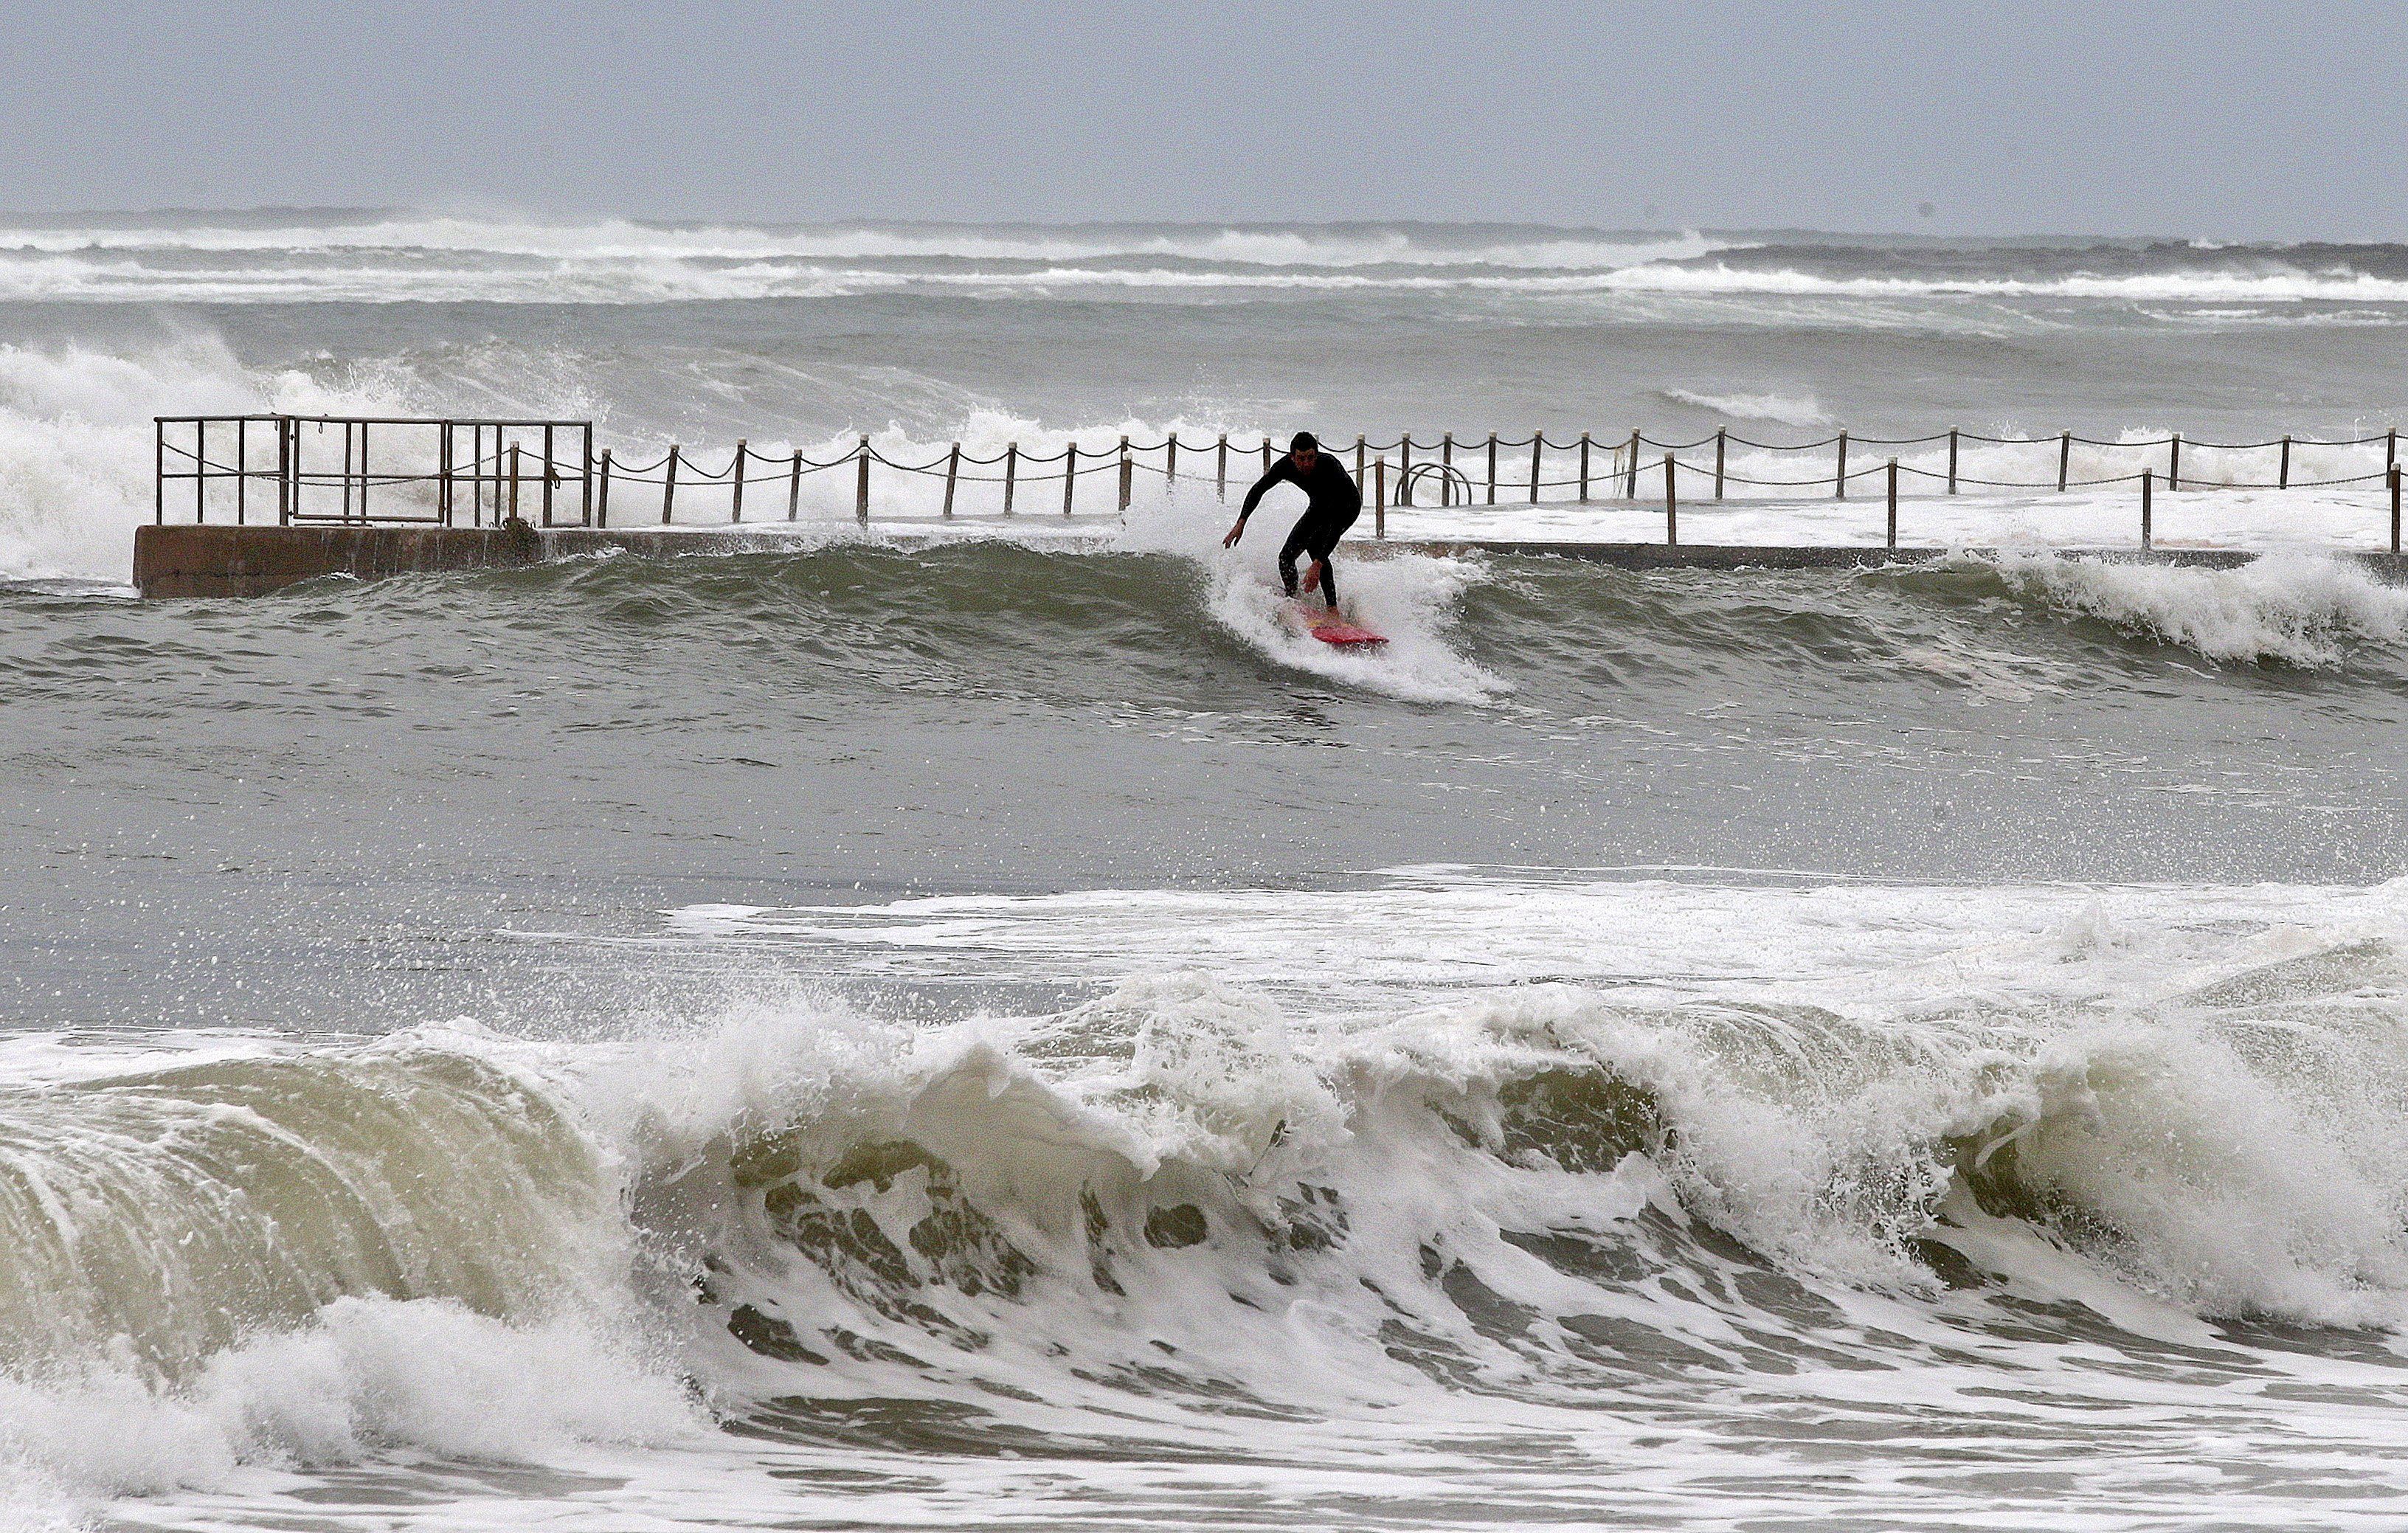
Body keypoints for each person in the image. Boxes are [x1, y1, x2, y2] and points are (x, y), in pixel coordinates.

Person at [1222, 432, 1361, 609]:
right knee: (1286, 558)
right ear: (1292, 457)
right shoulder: (1285, 467)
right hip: (1319, 505)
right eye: (1302, 458)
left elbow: (1334, 523)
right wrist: (1241, 523)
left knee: (1316, 546)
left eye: (1311, 458)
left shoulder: (1330, 466)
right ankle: (1293, 599)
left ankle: (1332, 610)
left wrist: (1317, 564)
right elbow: (1259, 489)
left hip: (1346, 507)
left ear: (1316, 455)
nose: (1307, 463)